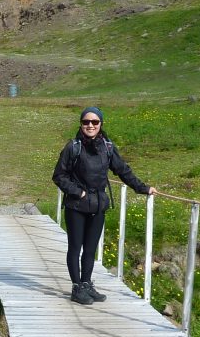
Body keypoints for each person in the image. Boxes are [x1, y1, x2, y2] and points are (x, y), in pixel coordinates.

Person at [51, 107, 156, 305]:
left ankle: (86, 284)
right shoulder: (72, 147)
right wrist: (78, 192)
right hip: (76, 206)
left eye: (95, 122)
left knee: (90, 249)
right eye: (86, 122)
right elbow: (59, 176)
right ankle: (77, 287)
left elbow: (122, 170)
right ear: (81, 124)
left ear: (101, 124)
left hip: (98, 206)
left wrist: (143, 188)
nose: (90, 125)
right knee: (75, 247)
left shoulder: (107, 147)